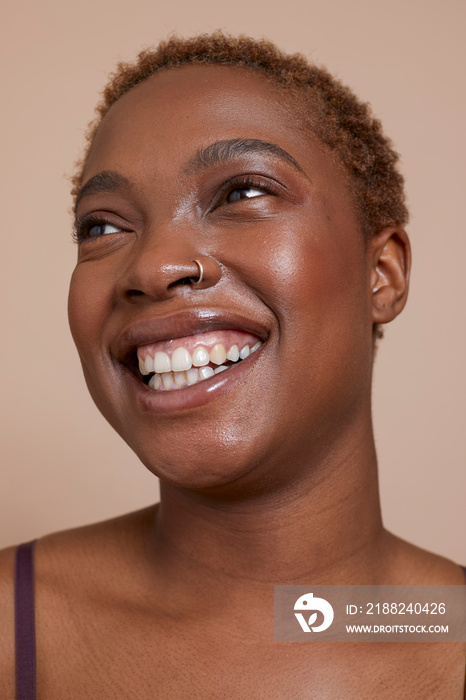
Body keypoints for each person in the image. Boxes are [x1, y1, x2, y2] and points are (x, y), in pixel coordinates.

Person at [0, 32, 465, 699]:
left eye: (243, 193)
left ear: (382, 275)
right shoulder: (12, 633)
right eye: (102, 226)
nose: (155, 265)